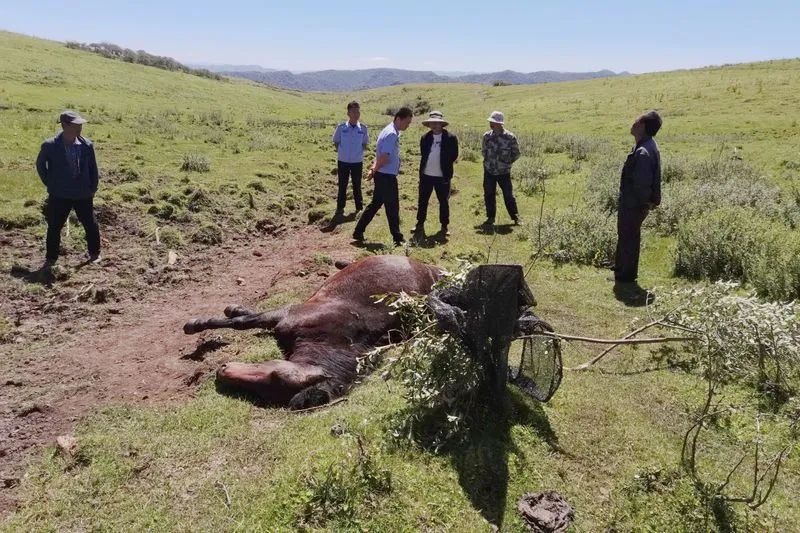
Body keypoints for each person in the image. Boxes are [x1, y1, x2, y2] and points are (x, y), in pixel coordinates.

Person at [36, 110, 101, 266]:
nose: (79, 128)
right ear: (64, 125)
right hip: (59, 194)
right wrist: (50, 183)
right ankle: (51, 258)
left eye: (80, 125)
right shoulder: (50, 145)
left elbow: (93, 168)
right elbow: (40, 165)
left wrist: (93, 188)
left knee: (90, 224)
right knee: (54, 226)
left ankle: (95, 253)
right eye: (75, 125)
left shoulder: (87, 145)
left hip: (83, 193)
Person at [612, 110, 663, 283]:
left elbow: (642, 183)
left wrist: (642, 203)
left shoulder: (643, 152)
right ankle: (622, 271)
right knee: (628, 236)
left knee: (628, 237)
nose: (633, 123)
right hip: (635, 203)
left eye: (637, 121)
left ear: (642, 126)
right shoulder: (646, 146)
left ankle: (625, 276)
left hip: (634, 204)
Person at [352, 107, 413, 246]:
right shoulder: (391, 134)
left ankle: (358, 231)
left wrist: (373, 169)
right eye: (407, 122)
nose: (408, 126)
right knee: (392, 207)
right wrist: (374, 170)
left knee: (375, 204)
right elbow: (384, 156)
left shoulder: (389, 130)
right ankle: (398, 238)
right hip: (386, 177)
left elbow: (380, 155)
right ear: (399, 119)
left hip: (383, 175)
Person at [414, 111, 459, 237]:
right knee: (422, 201)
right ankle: (419, 224)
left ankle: (444, 226)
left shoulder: (451, 138)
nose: (434, 125)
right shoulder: (425, 138)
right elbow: (423, 154)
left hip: (442, 176)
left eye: (437, 123)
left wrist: (445, 165)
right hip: (426, 175)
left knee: (443, 201)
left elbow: (454, 155)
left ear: (441, 124)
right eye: (432, 123)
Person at [481, 111, 521, 227]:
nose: (491, 124)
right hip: (489, 171)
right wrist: (489, 162)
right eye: (490, 122)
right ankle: (490, 218)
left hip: (504, 172)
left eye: (493, 122)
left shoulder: (510, 137)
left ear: (500, 124)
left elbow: (516, 153)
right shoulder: (486, 136)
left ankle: (516, 218)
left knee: (508, 195)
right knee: (489, 194)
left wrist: (506, 163)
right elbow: (484, 152)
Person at [332, 101, 369, 216]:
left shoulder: (363, 128)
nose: (356, 114)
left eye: (358, 111)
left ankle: (359, 208)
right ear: (348, 113)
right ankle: (340, 208)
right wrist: (343, 152)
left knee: (357, 185)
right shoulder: (341, 127)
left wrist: (356, 153)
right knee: (342, 185)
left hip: (357, 162)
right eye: (353, 111)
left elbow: (364, 144)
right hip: (343, 161)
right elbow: (336, 141)